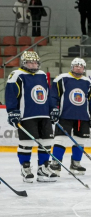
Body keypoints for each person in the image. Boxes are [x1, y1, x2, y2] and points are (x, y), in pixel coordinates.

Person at [5, 51, 57, 182]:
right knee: (26, 143)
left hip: (44, 115)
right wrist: (12, 111)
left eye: (35, 62)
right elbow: (11, 94)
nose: (33, 64)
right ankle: (25, 168)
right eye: (30, 62)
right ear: (24, 62)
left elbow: (47, 94)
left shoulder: (42, 75)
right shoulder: (16, 75)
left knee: (46, 142)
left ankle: (43, 168)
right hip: (27, 115)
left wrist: (53, 108)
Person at [48, 58, 91, 176]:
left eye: (81, 66)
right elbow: (53, 95)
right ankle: (56, 164)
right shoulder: (62, 78)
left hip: (82, 116)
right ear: (71, 67)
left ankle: (76, 164)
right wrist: (54, 108)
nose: (78, 67)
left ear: (84, 68)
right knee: (60, 139)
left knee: (80, 140)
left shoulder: (88, 82)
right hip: (65, 115)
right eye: (76, 65)